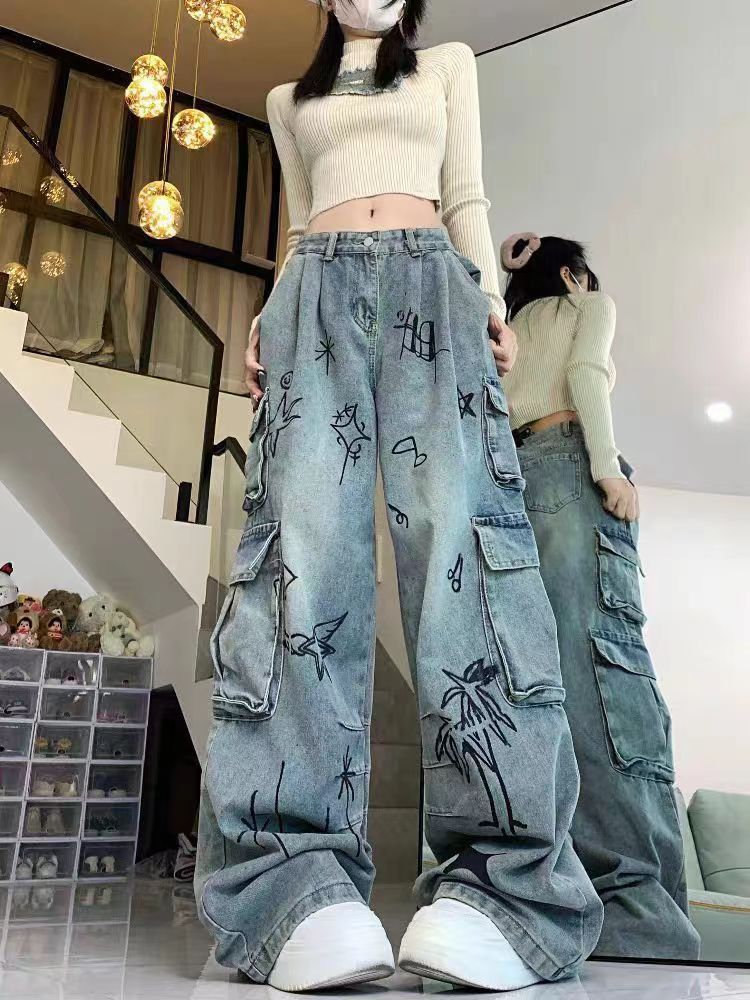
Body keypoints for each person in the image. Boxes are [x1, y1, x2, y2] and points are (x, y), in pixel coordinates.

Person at [195, 3, 603, 991]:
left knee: (469, 557)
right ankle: (290, 882)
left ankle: (505, 885)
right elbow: (300, 228)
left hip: (434, 286)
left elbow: (466, 197)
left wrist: (490, 303)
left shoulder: (448, 65)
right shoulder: (287, 100)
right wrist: (268, 311)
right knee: (298, 563)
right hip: (312, 298)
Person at [501, 234, 701, 960]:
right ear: (572, 274)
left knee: (536, 688)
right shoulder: (586, 305)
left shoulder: (507, 332)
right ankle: (635, 912)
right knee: (606, 674)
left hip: (511, 486)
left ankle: (553, 897)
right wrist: (607, 467)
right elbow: (587, 373)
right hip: (568, 470)